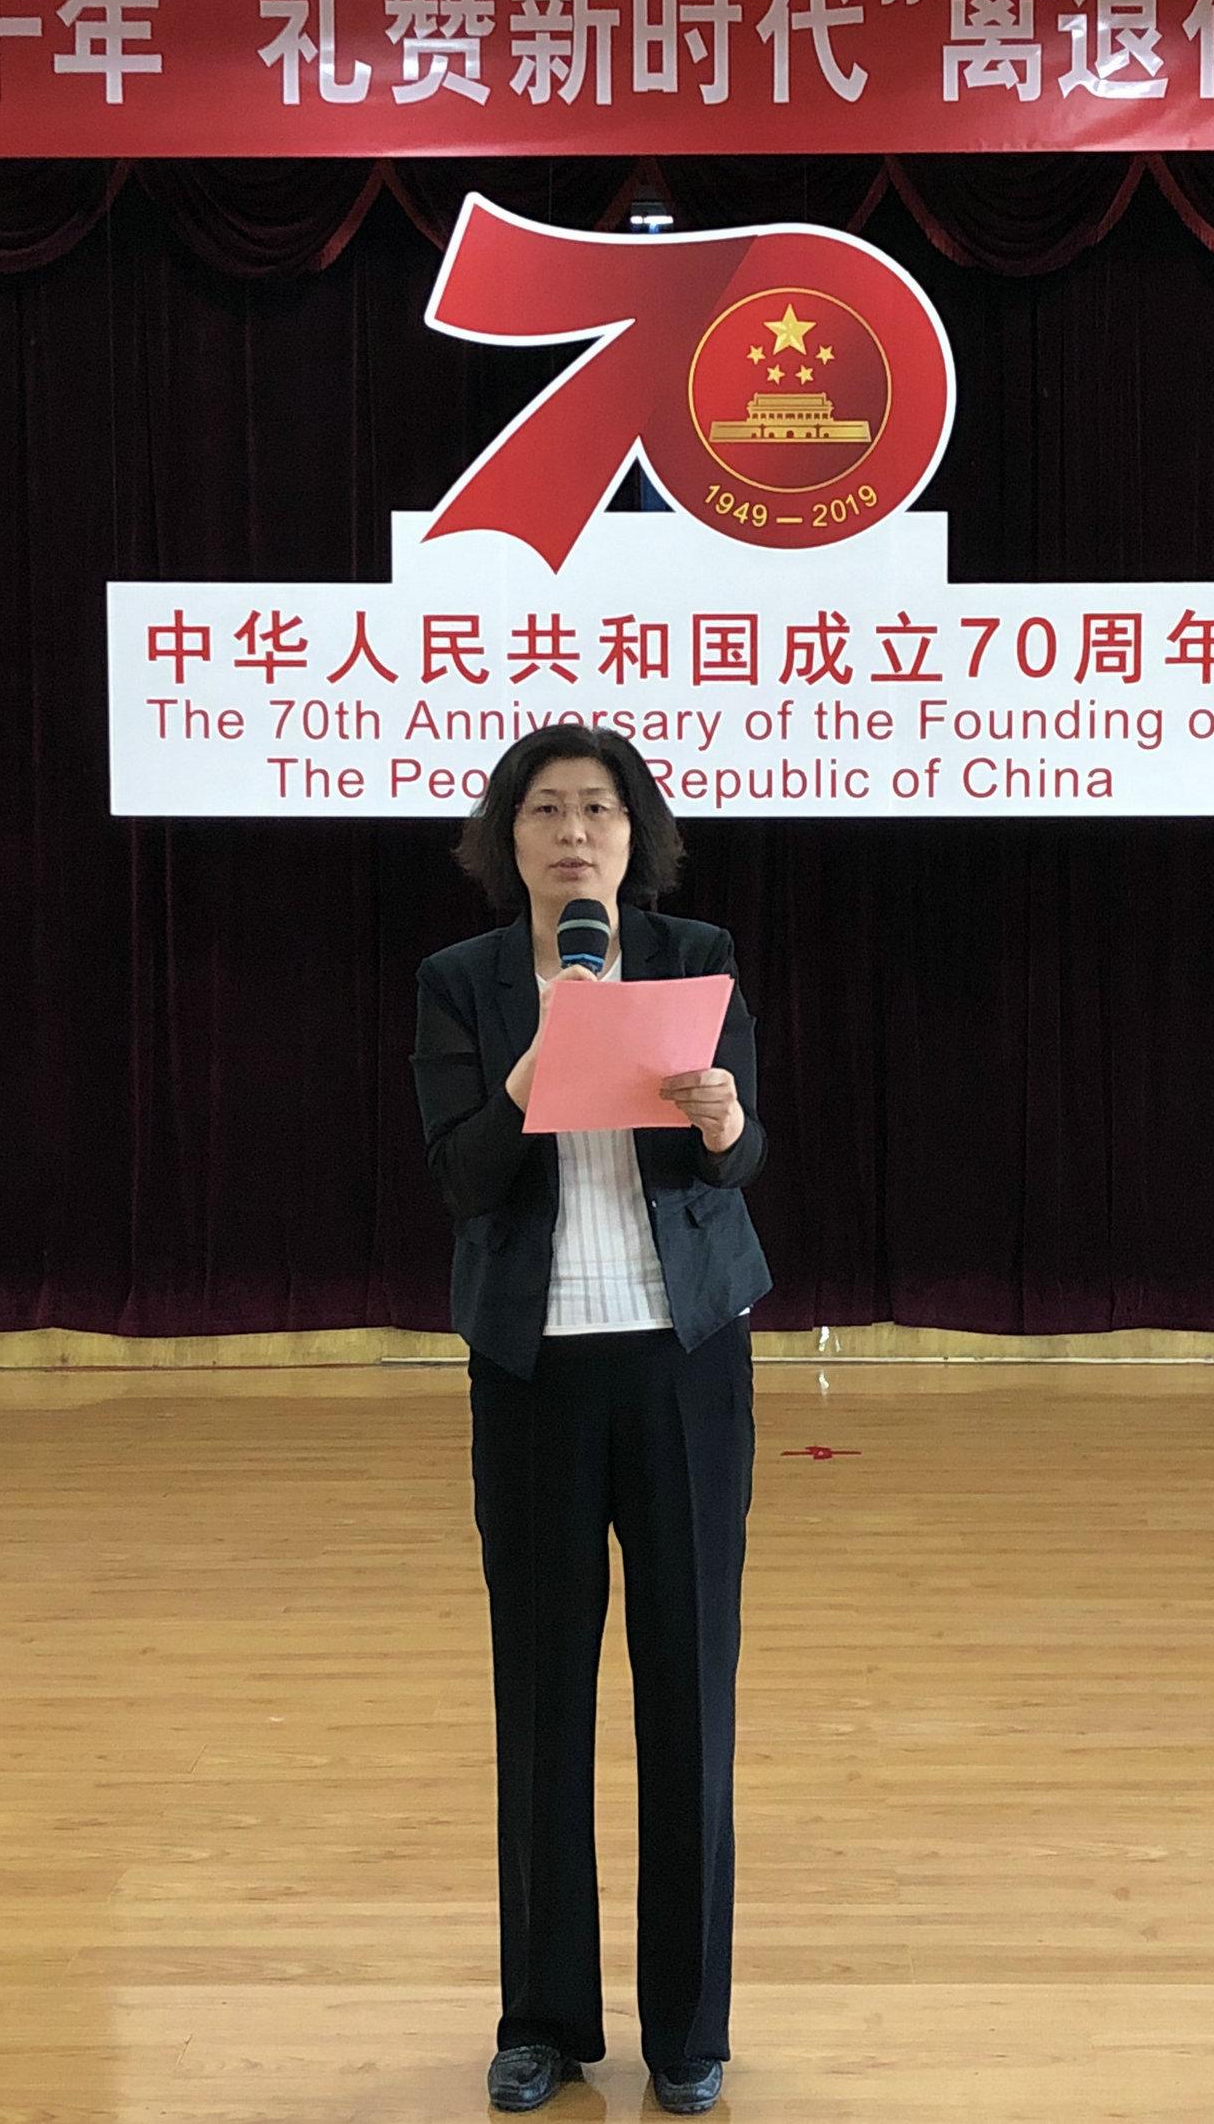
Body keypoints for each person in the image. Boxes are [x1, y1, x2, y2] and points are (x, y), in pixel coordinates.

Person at [409, 725, 770, 2116]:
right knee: (543, 1695)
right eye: (546, 810)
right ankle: (546, 2020)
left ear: (636, 836)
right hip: (535, 1371)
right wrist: (535, 1061)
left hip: (682, 1366)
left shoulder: (696, 958)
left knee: (689, 1694)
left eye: (598, 810)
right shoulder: (466, 983)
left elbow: (743, 1156)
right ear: (508, 839)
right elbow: (462, 1180)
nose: (573, 833)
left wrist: (724, 1119)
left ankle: (690, 2031)